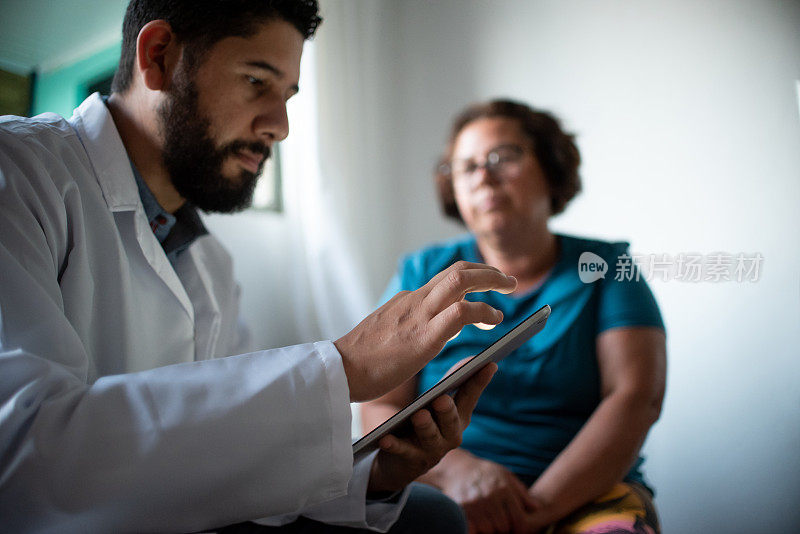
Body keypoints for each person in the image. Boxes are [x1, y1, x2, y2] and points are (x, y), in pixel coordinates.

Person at [0, 2, 520, 533]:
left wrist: (378, 475)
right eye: (256, 82)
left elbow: (225, 451)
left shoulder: (209, 262)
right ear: (158, 56)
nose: (281, 127)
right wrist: (342, 367)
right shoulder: (16, 172)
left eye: (289, 96)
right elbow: (20, 459)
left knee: (428, 517)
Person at [362, 99, 667, 534]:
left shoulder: (606, 268)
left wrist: (536, 511)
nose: (483, 175)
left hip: (585, 495)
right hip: (443, 491)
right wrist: (456, 473)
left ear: (552, 168)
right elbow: (379, 407)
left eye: (502, 157)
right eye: (465, 167)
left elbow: (636, 400)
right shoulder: (420, 273)